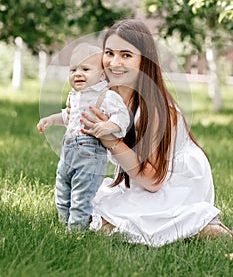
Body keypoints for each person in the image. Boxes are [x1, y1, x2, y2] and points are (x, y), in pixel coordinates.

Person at [79, 19, 232, 246]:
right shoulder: (112, 95)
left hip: (175, 182)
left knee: (113, 224)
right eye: (109, 52)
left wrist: (108, 137)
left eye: (126, 55)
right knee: (84, 207)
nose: (114, 62)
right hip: (140, 176)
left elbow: (153, 180)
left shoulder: (156, 109)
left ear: (144, 61)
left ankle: (201, 226)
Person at [37, 43, 130, 230]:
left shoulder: (106, 96)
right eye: (73, 70)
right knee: (62, 190)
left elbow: (122, 117)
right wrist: (51, 120)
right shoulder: (74, 96)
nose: (78, 74)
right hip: (68, 153)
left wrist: (107, 126)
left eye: (85, 69)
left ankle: (76, 231)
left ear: (102, 75)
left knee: (82, 194)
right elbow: (69, 116)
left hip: (90, 155)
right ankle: (64, 223)